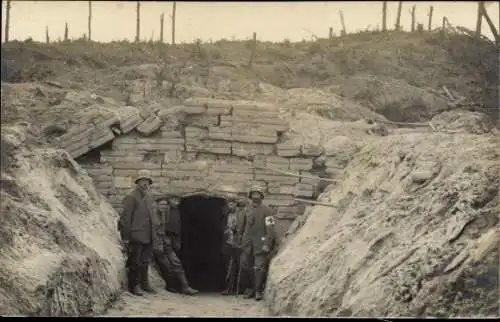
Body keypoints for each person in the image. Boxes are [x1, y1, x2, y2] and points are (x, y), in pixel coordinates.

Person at [117, 170, 159, 296]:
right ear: (138, 182)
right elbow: (126, 218)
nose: (145, 184)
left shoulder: (149, 197)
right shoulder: (131, 197)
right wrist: (126, 236)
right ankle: (134, 286)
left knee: (145, 261)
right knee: (135, 261)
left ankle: (144, 284)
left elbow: (151, 216)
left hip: (148, 235)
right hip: (136, 235)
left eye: (147, 181)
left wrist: (154, 234)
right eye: (142, 181)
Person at [152, 195, 198, 295]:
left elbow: (165, 230)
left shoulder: (164, 214)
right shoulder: (151, 215)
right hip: (156, 244)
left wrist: (168, 241)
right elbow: (152, 232)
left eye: (165, 205)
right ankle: (171, 286)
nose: (163, 207)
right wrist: (156, 244)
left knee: (176, 263)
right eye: (162, 204)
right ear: (156, 204)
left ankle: (185, 287)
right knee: (167, 266)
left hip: (165, 241)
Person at [240, 186, 277, 301]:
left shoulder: (268, 211)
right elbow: (243, 227)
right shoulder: (247, 210)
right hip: (248, 244)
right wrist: (241, 241)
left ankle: (258, 291)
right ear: (250, 196)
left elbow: (271, 229)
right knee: (247, 266)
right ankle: (251, 288)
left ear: (261, 197)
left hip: (260, 244)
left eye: (258, 195)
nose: (255, 197)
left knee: (258, 267)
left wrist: (267, 243)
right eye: (253, 195)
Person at [220, 197, 248, 295]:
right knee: (230, 267)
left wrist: (236, 232)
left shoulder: (241, 214)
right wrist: (227, 231)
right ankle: (229, 288)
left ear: (236, 204)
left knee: (241, 266)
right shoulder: (228, 215)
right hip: (230, 243)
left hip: (239, 243)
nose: (230, 206)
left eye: (232, 204)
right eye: (229, 204)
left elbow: (244, 228)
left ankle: (240, 289)